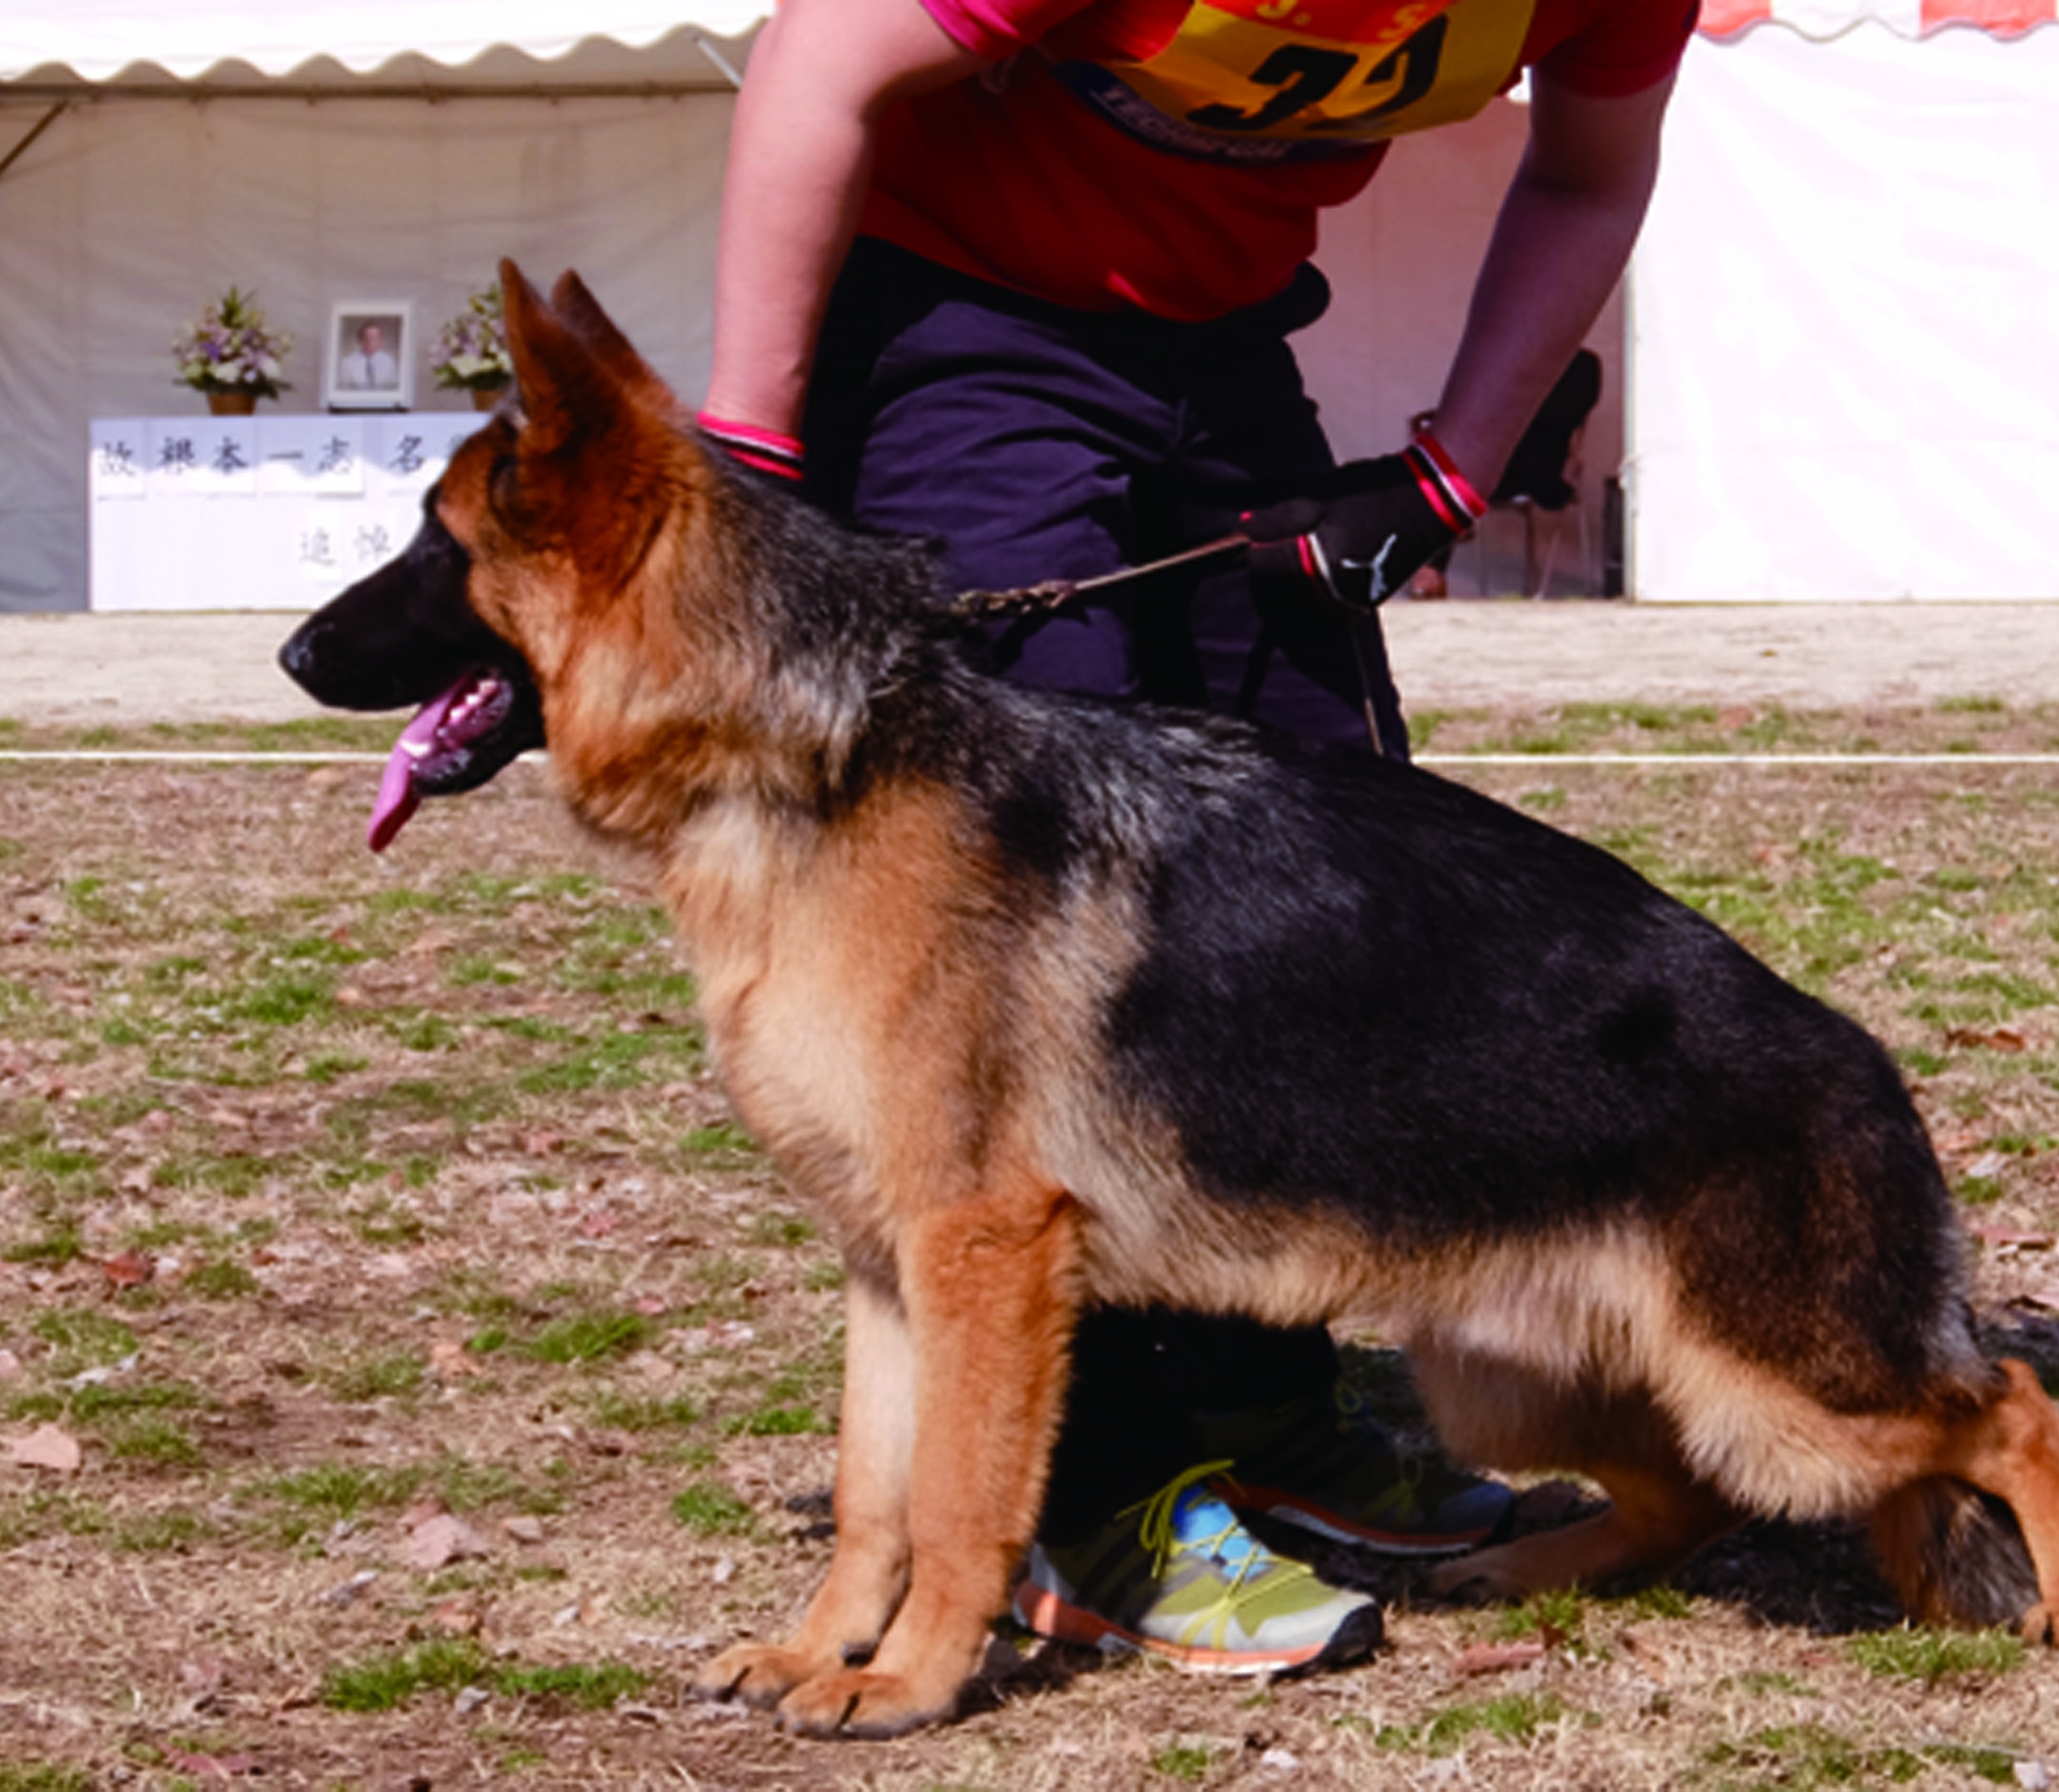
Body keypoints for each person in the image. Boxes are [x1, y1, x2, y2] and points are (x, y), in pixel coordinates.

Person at [702, 0, 1691, 1677]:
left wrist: (1448, 473)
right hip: (953, 324)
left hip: (1221, 340)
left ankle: (1266, 1419)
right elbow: (821, 58)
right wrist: (747, 457)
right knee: (1043, 952)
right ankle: (1093, 1505)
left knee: (1309, 886)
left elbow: (1591, 173)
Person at [339, 321, 398, 392]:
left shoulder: (389, 361)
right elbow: (343, 391)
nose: (370, 341)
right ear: (361, 339)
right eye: (367, 337)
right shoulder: (347, 363)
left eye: (375, 338)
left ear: (380, 340)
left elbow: (393, 390)